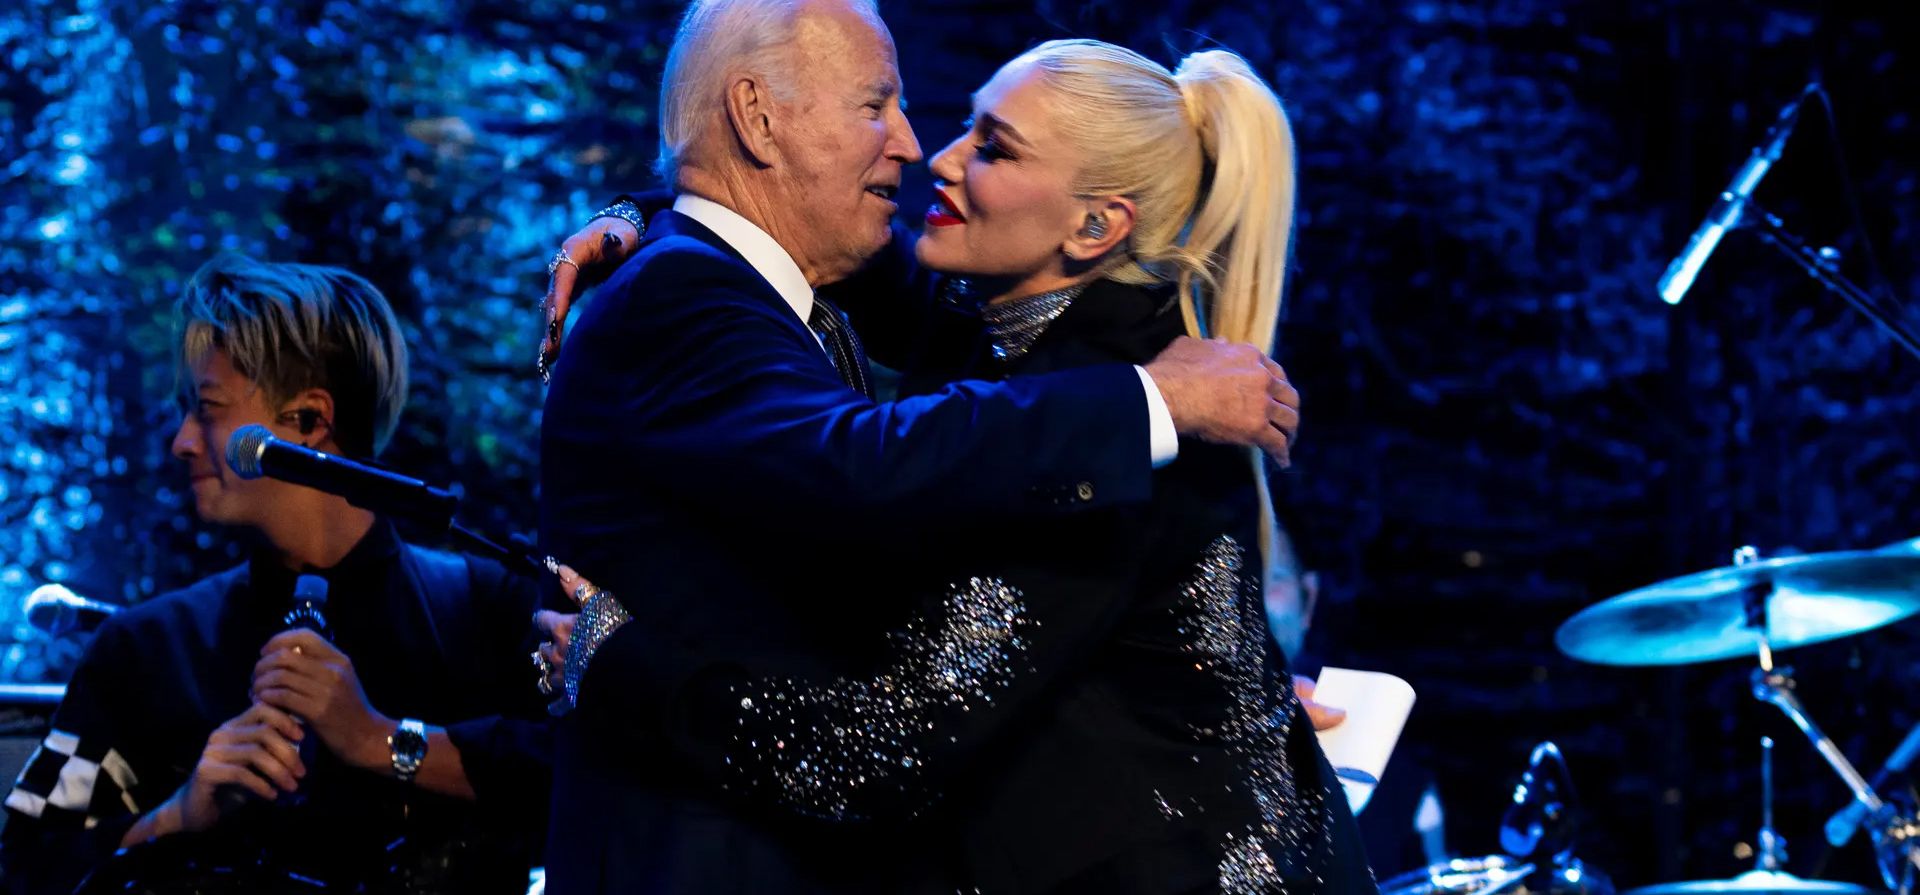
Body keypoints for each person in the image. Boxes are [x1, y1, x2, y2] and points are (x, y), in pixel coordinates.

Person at [547, 31, 1375, 894]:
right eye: (884, 108)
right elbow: (757, 213)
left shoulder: (1121, 431)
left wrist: (619, 663)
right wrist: (649, 209)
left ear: (1095, 225)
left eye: (992, 147)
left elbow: (878, 749)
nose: (929, 153)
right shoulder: (999, 337)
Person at [0, 255, 552, 895]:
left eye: (207, 408)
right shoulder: (146, 650)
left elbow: (603, 780)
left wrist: (381, 741)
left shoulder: (490, 612)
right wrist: (178, 814)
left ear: (312, 421)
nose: (182, 441)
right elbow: (24, 868)